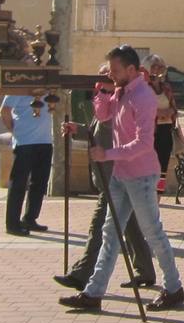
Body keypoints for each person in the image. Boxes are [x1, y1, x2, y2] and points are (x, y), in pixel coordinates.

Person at [57, 45, 184, 313]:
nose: (112, 75)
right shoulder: (120, 91)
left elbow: (143, 143)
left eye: (115, 71)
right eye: (110, 71)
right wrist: (102, 91)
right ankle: (93, 292)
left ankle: (173, 288)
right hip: (121, 173)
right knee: (110, 234)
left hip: (140, 174)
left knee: (153, 232)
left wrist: (108, 153)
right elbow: (103, 116)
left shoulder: (143, 97)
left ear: (131, 69)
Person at [54, 64, 155, 292]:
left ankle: (82, 274)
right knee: (130, 225)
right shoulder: (110, 101)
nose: (102, 81)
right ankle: (145, 270)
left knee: (99, 227)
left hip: (114, 176)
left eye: (107, 76)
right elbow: (97, 132)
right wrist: (77, 129)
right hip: (109, 177)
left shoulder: (123, 102)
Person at [0, 88, 54, 236]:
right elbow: (5, 111)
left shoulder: (47, 86)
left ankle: (30, 218)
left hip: (45, 140)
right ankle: (12, 224)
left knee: (40, 182)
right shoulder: (18, 88)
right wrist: (13, 130)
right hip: (25, 141)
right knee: (18, 183)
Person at [143, 54, 179, 194]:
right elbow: (142, 110)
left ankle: (157, 199)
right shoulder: (143, 88)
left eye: (160, 67)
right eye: (153, 67)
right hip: (151, 133)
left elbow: (174, 109)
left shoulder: (166, 88)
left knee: (162, 169)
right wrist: (158, 113)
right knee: (149, 168)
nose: (157, 70)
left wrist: (170, 112)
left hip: (165, 132)